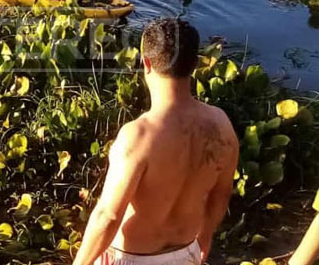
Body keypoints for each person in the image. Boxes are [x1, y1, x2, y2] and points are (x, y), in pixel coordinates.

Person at [72, 19, 239, 265]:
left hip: (130, 258)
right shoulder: (221, 124)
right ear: (194, 64)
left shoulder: (138, 135)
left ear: (146, 63)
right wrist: (205, 237)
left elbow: (108, 216)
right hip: (186, 252)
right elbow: (221, 195)